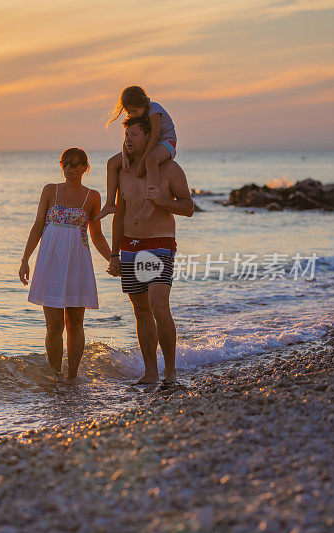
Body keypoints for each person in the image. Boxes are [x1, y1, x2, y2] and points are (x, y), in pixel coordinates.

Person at [107, 115, 193, 385]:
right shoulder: (122, 169)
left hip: (158, 244)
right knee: (141, 311)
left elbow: (188, 207)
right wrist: (114, 253)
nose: (128, 139)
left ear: (149, 137)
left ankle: (170, 372)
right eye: (126, 135)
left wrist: (162, 200)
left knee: (158, 306)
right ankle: (150, 372)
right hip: (130, 246)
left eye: (134, 134)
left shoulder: (169, 169)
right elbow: (119, 214)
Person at [19, 148, 112, 380]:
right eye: (66, 164)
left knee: (75, 323)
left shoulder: (92, 196)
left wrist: (113, 259)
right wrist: (25, 260)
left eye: (75, 164)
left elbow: (97, 235)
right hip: (50, 261)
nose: (69, 168)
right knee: (53, 325)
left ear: (85, 168)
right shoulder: (50, 190)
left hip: (77, 261)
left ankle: (72, 375)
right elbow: (38, 225)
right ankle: (55, 374)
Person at [96, 85, 178, 222]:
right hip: (147, 142)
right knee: (112, 163)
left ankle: (150, 203)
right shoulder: (136, 113)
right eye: (129, 112)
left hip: (166, 142)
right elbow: (127, 137)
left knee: (151, 160)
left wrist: (142, 162)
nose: (132, 115)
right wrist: (124, 155)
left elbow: (155, 137)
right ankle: (110, 203)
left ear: (143, 103)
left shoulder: (154, 110)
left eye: (134, 111)